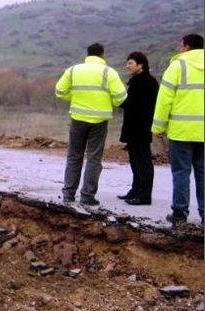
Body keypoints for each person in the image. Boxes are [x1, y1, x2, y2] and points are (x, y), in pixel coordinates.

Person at [55, 43, 127, 206]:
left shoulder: (73, 70)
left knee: (74, 156)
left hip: (78, 119)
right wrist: (110, 102)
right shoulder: (109, 72)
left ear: (87, 55)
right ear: (102, 55)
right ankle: (87, 196)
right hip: (99, 122)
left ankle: (68, 194)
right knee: (94, 158)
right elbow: (121, 97)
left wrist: (73, 99)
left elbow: (60, 91)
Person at [152, 34, 204, 226]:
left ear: (187, 46)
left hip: (181, 131)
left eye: (181, 45)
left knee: (181, 172)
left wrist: (158, 126)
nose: (179, 48)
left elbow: (164, 99)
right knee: (203, 172)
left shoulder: (177, 66)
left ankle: (180, 214)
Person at [117, 52, 159, 205]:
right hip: (133, 128)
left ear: (140, 65)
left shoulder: (147, 82)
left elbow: (140, 105)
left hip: (141, 128)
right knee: (134, 161)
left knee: (143, 161)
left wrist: (120, 102)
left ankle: (144, 195)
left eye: (130, 63)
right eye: (127, 63)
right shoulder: (136, 81)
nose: (127, 66)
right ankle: (135, 190)